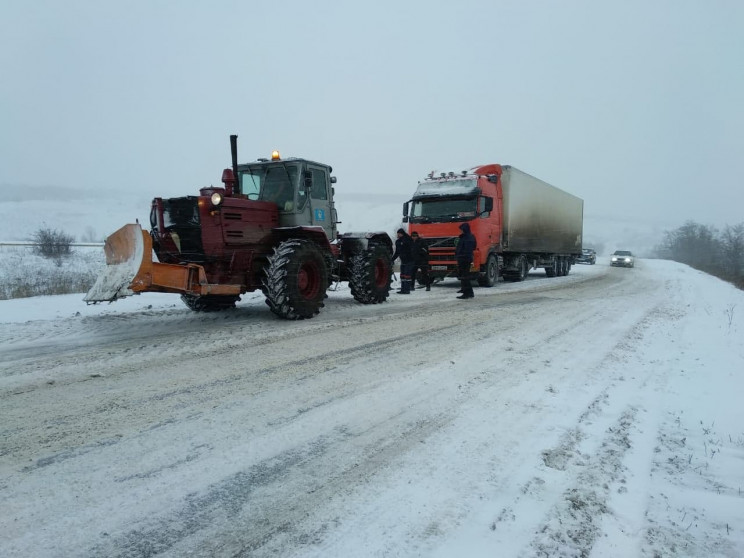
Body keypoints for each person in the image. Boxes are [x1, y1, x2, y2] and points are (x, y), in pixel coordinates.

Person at [455, 222, 476, 299]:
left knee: (464, 277)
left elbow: (465, 249)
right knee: (464, 276)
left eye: (461, 230)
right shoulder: (468, 237)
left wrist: (460, 256)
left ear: (465, 229)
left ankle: (466, 293)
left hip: (464, 259)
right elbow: (473, 247)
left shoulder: (467, 238)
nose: (460, 231)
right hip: (464, 258)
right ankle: (469, 292)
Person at [390, 228, 414, 294]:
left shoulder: (408, 239)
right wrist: (392, 259)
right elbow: (397, 252)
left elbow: (412, 249)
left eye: (398, 234)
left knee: (407, 275)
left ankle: (407, 289)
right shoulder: (397, 242)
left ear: (401, 233)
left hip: (409, 260)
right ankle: (403, 289)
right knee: (402, 275)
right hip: (403, 261)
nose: (397, 235)